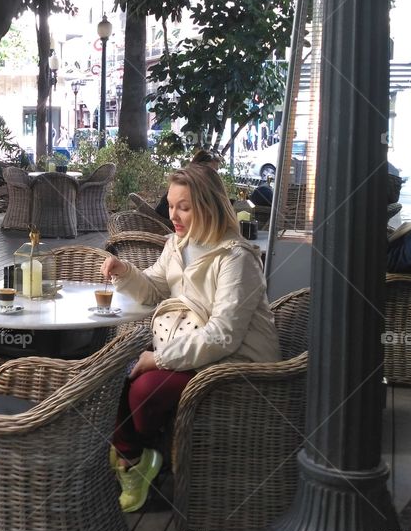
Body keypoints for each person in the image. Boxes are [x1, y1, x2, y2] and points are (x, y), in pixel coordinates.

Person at [100, 163, 281, 513]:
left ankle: (137, 458)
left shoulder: (235, 258)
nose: (173, 215)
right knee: (116, 373)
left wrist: (159, 358)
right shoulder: (177, 243)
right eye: (170, 205)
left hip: (238, 365)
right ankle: (138, 457)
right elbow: (153, 289)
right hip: (195, 350)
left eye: (184, 206)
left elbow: (224, 335)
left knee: (142, 388)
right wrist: (125, 272)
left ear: (208, 205)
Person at [155, 149, 222, 220]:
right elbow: (161, 212)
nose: (214, 175)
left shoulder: (209, 189)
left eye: (216, 171)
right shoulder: (185, 186)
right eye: (211, 171)